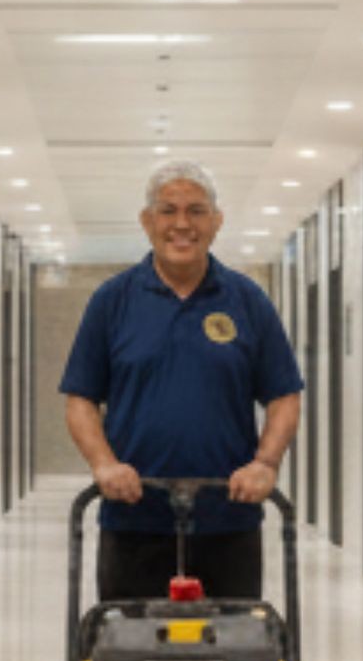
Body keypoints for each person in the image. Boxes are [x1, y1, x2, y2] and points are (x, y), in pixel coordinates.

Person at [60, 159, 303, 602]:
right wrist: (104, 465)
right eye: (168, 211)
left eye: (196, 210)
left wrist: (265, 464)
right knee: (127, 652)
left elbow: (284, 394)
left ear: (216, 221)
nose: (181, 224)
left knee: (233, 652)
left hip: (228, 516)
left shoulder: (247, 301)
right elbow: (80, 399)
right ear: (147, 221)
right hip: (132, 516)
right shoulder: (112, 302)